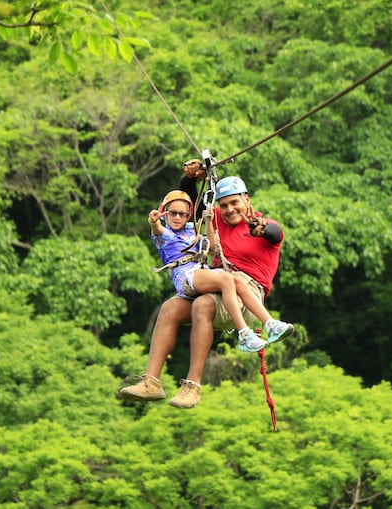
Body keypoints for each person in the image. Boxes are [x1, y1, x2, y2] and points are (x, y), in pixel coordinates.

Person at [119, 167, 294, 409]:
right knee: (169, 308)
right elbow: (187, 202)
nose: (230, 210)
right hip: (216, 281)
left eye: (234, 203)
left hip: (247, 291)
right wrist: (191, 177)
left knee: (203, 304)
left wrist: (261, 228)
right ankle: (151, 382)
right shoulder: (218, 221)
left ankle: (193, 385)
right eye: (224, 205)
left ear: (247, 200)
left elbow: (274, 234)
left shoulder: (264, 226)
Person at [146, 188, 271, 354]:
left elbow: (211, 246)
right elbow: (158, 230)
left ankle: (270, 323)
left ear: (187, 216)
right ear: (165, 212)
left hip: (200, 270)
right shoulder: (165, 234)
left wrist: (209, 221)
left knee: (236, 280)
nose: (177, 217)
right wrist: (154, 222)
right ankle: (244, 333)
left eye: (182, 214)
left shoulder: (191, 230)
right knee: (227, 279)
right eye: (172, 213)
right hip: (185, 275)